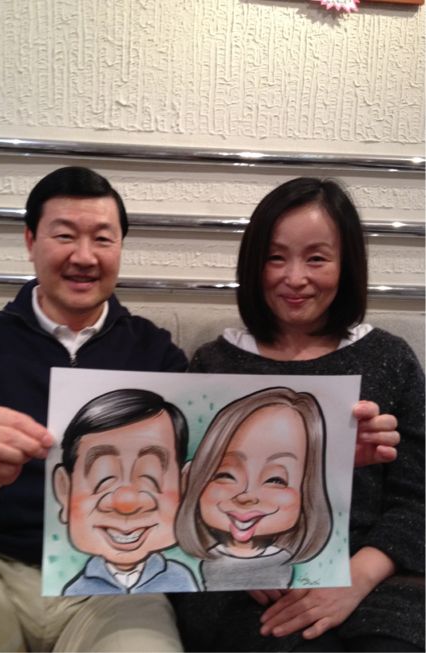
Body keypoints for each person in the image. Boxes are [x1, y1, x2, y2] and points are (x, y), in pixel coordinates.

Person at [0, 166, 189, 652]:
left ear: (120, 248)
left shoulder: (157, 355)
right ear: (30, 241)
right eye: (65, 235)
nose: (84, 256)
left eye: (103, 239)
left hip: (116, 579)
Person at [169, 177, 424, 652]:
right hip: (249, 587)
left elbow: (418, 499)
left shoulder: (389, 360)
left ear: (346, 265)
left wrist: (356, 577)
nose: (294, 277)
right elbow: (185, 491)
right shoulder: (214, 364)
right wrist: (241, 560)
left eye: (317, 258)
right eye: (275, 257)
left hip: (376, 581)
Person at [175, 387, 332, 591]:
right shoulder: (188, 569)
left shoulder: (285, 563)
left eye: (276, 480)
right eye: (226, 475)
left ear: (308, 494)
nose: (246, 496)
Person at [53, 388, 199, 595]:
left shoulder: (181, 579)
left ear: (185, 486)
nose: (127, 501)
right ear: (64, 490)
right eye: (103, 477)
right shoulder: (75, 591)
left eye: (151, 476)